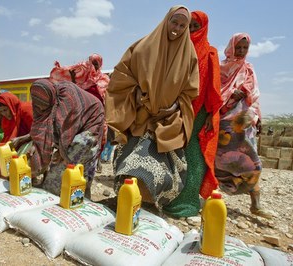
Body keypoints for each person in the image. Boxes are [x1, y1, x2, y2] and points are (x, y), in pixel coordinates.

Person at [105, 5, 199, 211]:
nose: (177, 28)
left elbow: (190, 91)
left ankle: (146, 205)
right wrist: (136, 94)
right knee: (129, 163)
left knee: (155, 169)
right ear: (166, 20)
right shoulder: (143, 46)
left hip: (166, 122)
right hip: (139, 116)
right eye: (174, 22)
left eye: (183, 25)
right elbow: (122, 74)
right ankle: (126, 202)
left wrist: (174, 106)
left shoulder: (190, 56)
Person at [163, 10, 223, 217]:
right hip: (176, 111)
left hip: (199, 115)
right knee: (172, 154)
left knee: (194, 157)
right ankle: (167, 197)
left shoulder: (211, 53)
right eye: (189, 27)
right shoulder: (176, 50)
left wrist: (209, 115)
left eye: (195, 27)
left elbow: (214, 89)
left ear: (203, 28)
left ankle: (187, 204)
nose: (190, 31)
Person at [214, 33, 271, 219]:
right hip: (225, 125)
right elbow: (216, 91)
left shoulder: (248, 68)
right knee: (218, 163)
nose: (240, 51)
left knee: (252, 162)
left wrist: (258, 117)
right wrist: (232, 93)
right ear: (231, 47)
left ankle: (256, 205)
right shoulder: (221, 67)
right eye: (238, 47)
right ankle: (211, 201)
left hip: (245, 124)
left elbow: (254, 95)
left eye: (244, 48)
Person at [27, 79, 104, 197]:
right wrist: (35, 144)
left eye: (43, 105)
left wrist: (61, 152)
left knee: (73, 157)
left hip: (91, 120)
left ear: (50, 98)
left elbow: (67, 129)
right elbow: (40, 127)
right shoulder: (44, 101)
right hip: (75, 124)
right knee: (61, 161)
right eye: (38, 106)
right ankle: (74, 191)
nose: (41, 109)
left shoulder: (67, 97)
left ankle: (73, 192)